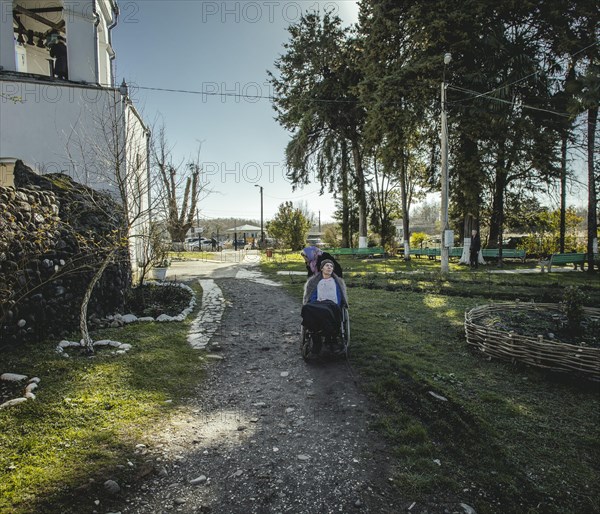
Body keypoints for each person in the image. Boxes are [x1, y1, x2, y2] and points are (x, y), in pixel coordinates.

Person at [301, 259, 348, 354]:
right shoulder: (314, 281)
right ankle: (316, 338)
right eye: (327, 266)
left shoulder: (337, 282)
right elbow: (311, 296)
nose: (329, 267)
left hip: (332, 305)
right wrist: (316, 304)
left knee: (326, 310)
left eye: (331, 266)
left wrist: (336, 305)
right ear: (322, 268)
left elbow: (339, 298)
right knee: (306, 308)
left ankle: (330, 338)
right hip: (318, 304)